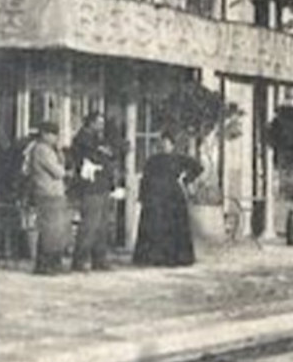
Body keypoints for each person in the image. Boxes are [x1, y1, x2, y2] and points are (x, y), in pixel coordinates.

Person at [133, 136, 203, 267]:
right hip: (156, 198)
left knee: (173, 228)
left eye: (167, 143)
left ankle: (175, 258)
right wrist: (143, 196)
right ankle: (154, 258)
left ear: (172, 145)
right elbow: (145, 178)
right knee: (155, 227)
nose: (164, 146)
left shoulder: (179, 158)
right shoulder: (152, 160)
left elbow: (198, 167)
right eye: (162, 143)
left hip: (173, 198)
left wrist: (186, 179)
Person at [70, 112, 122, 272]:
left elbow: (110, 154)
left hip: (102, 185)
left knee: (102, 225)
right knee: (90, 224)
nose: (101, 126)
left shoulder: (98, 139)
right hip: (90, 186)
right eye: (98, 122)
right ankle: (80, 259)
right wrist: (104, 153)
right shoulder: (82, 139)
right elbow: (97, 156)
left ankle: (99, 258)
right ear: (90, 123)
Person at [25, 120, 71, 276]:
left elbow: (62, 165)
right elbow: (58, 172)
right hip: (47, 192)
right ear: (44, 134)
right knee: (49, 229)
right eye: (52, 134)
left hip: (54, 192)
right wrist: (63, 168)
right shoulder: (41, 150)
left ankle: (53, 262)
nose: (55, 138)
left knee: (56, 230)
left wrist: (59, 152)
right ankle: (44, 264)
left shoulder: (50, 150)